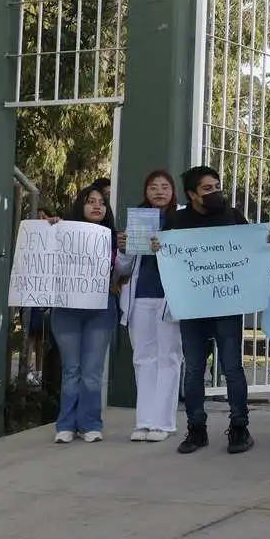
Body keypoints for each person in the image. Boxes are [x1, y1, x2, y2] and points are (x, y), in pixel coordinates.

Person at [156, 165, 270, 455]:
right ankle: (196, 429)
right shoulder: (176, 221)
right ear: (192, 194)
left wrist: (267, 242)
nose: (215, 192)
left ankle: (239, 427)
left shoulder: (232, 216)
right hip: (192, 307)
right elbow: (167, 258)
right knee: (194, 369)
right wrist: (158, 245)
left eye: (217, 186)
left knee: (232, 367)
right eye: (207, 189)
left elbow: (252, 247)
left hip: (227, 305)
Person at [115, 170, 183, 442]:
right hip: (140, 298)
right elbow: (123, 267)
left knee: (169, 358)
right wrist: (124, 249)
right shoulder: (138, 221)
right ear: (146, 192)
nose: (159, 191)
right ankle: (143, 421)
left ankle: (163, 423)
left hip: (170, 298)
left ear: (172, 191)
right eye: (153, 187)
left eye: (165, 187)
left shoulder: (182, 218)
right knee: (143, 359)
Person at [51, 185, 119, 444]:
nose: (97, 206)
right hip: (67, 310)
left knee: (92, 371)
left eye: (102, 202)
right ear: (80, 205)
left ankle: (91, 423)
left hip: (100, 311)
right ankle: (66, 424)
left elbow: (122, 271)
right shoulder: (61, 233)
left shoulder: (114, 238)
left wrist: (124, 250)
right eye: (91, 201)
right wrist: (52, 228)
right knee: (72, 370)